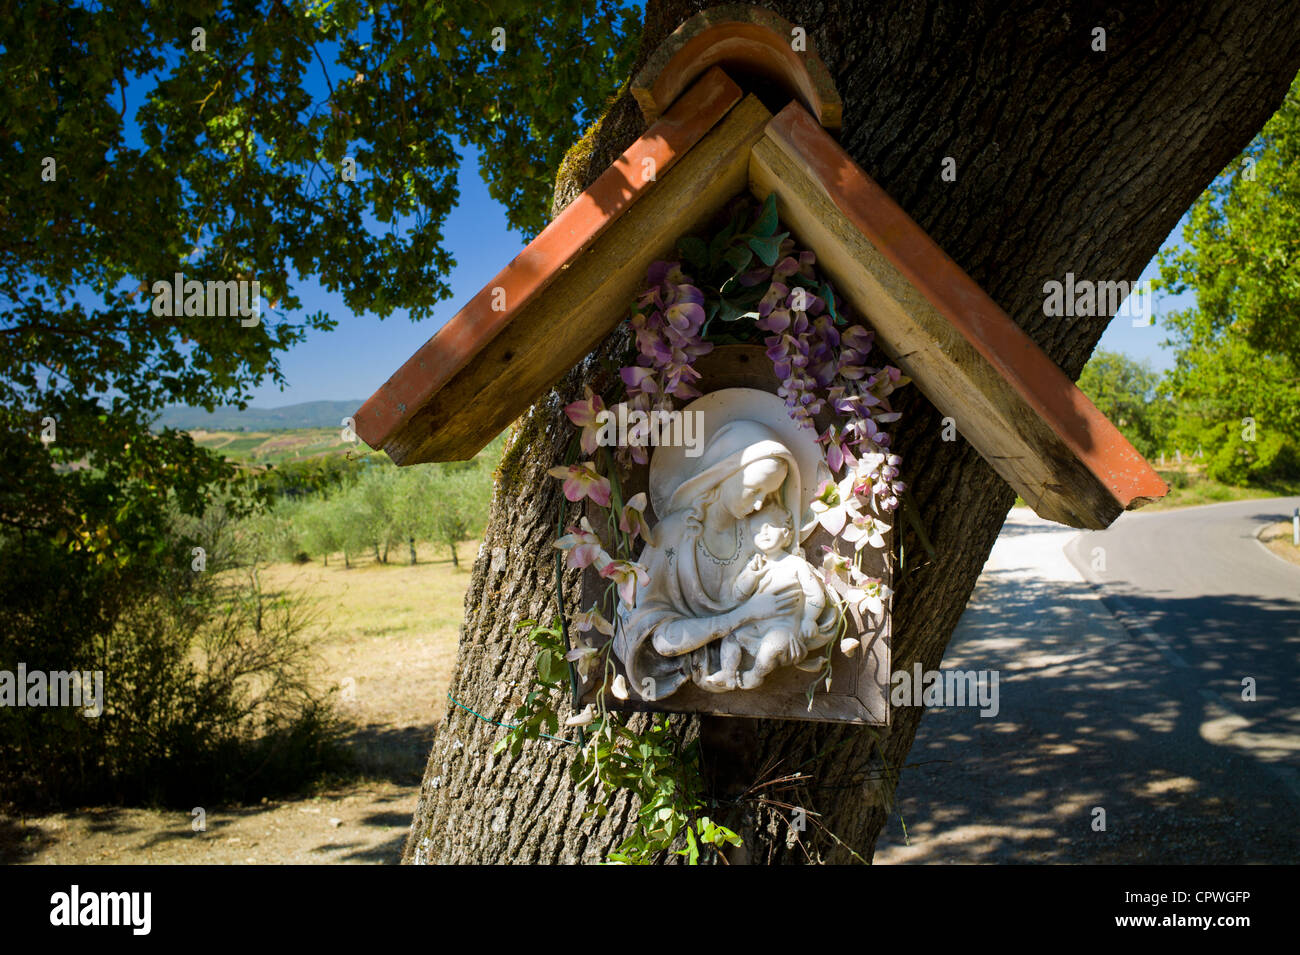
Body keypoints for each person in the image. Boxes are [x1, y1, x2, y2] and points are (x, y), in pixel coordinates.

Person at [705, 502, 829, 690]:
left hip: (783, 629)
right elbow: (738, 595)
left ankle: (755, 674)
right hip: (754, 624)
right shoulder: (754, 564)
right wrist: (750, 577)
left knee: (770, 648)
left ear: (786, 535)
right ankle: (728, 672)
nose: (763, 533)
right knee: (731, 637)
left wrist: (808, 619)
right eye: (756, 530)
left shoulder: (795, 564)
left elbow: (816, 596)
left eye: (769, 526)